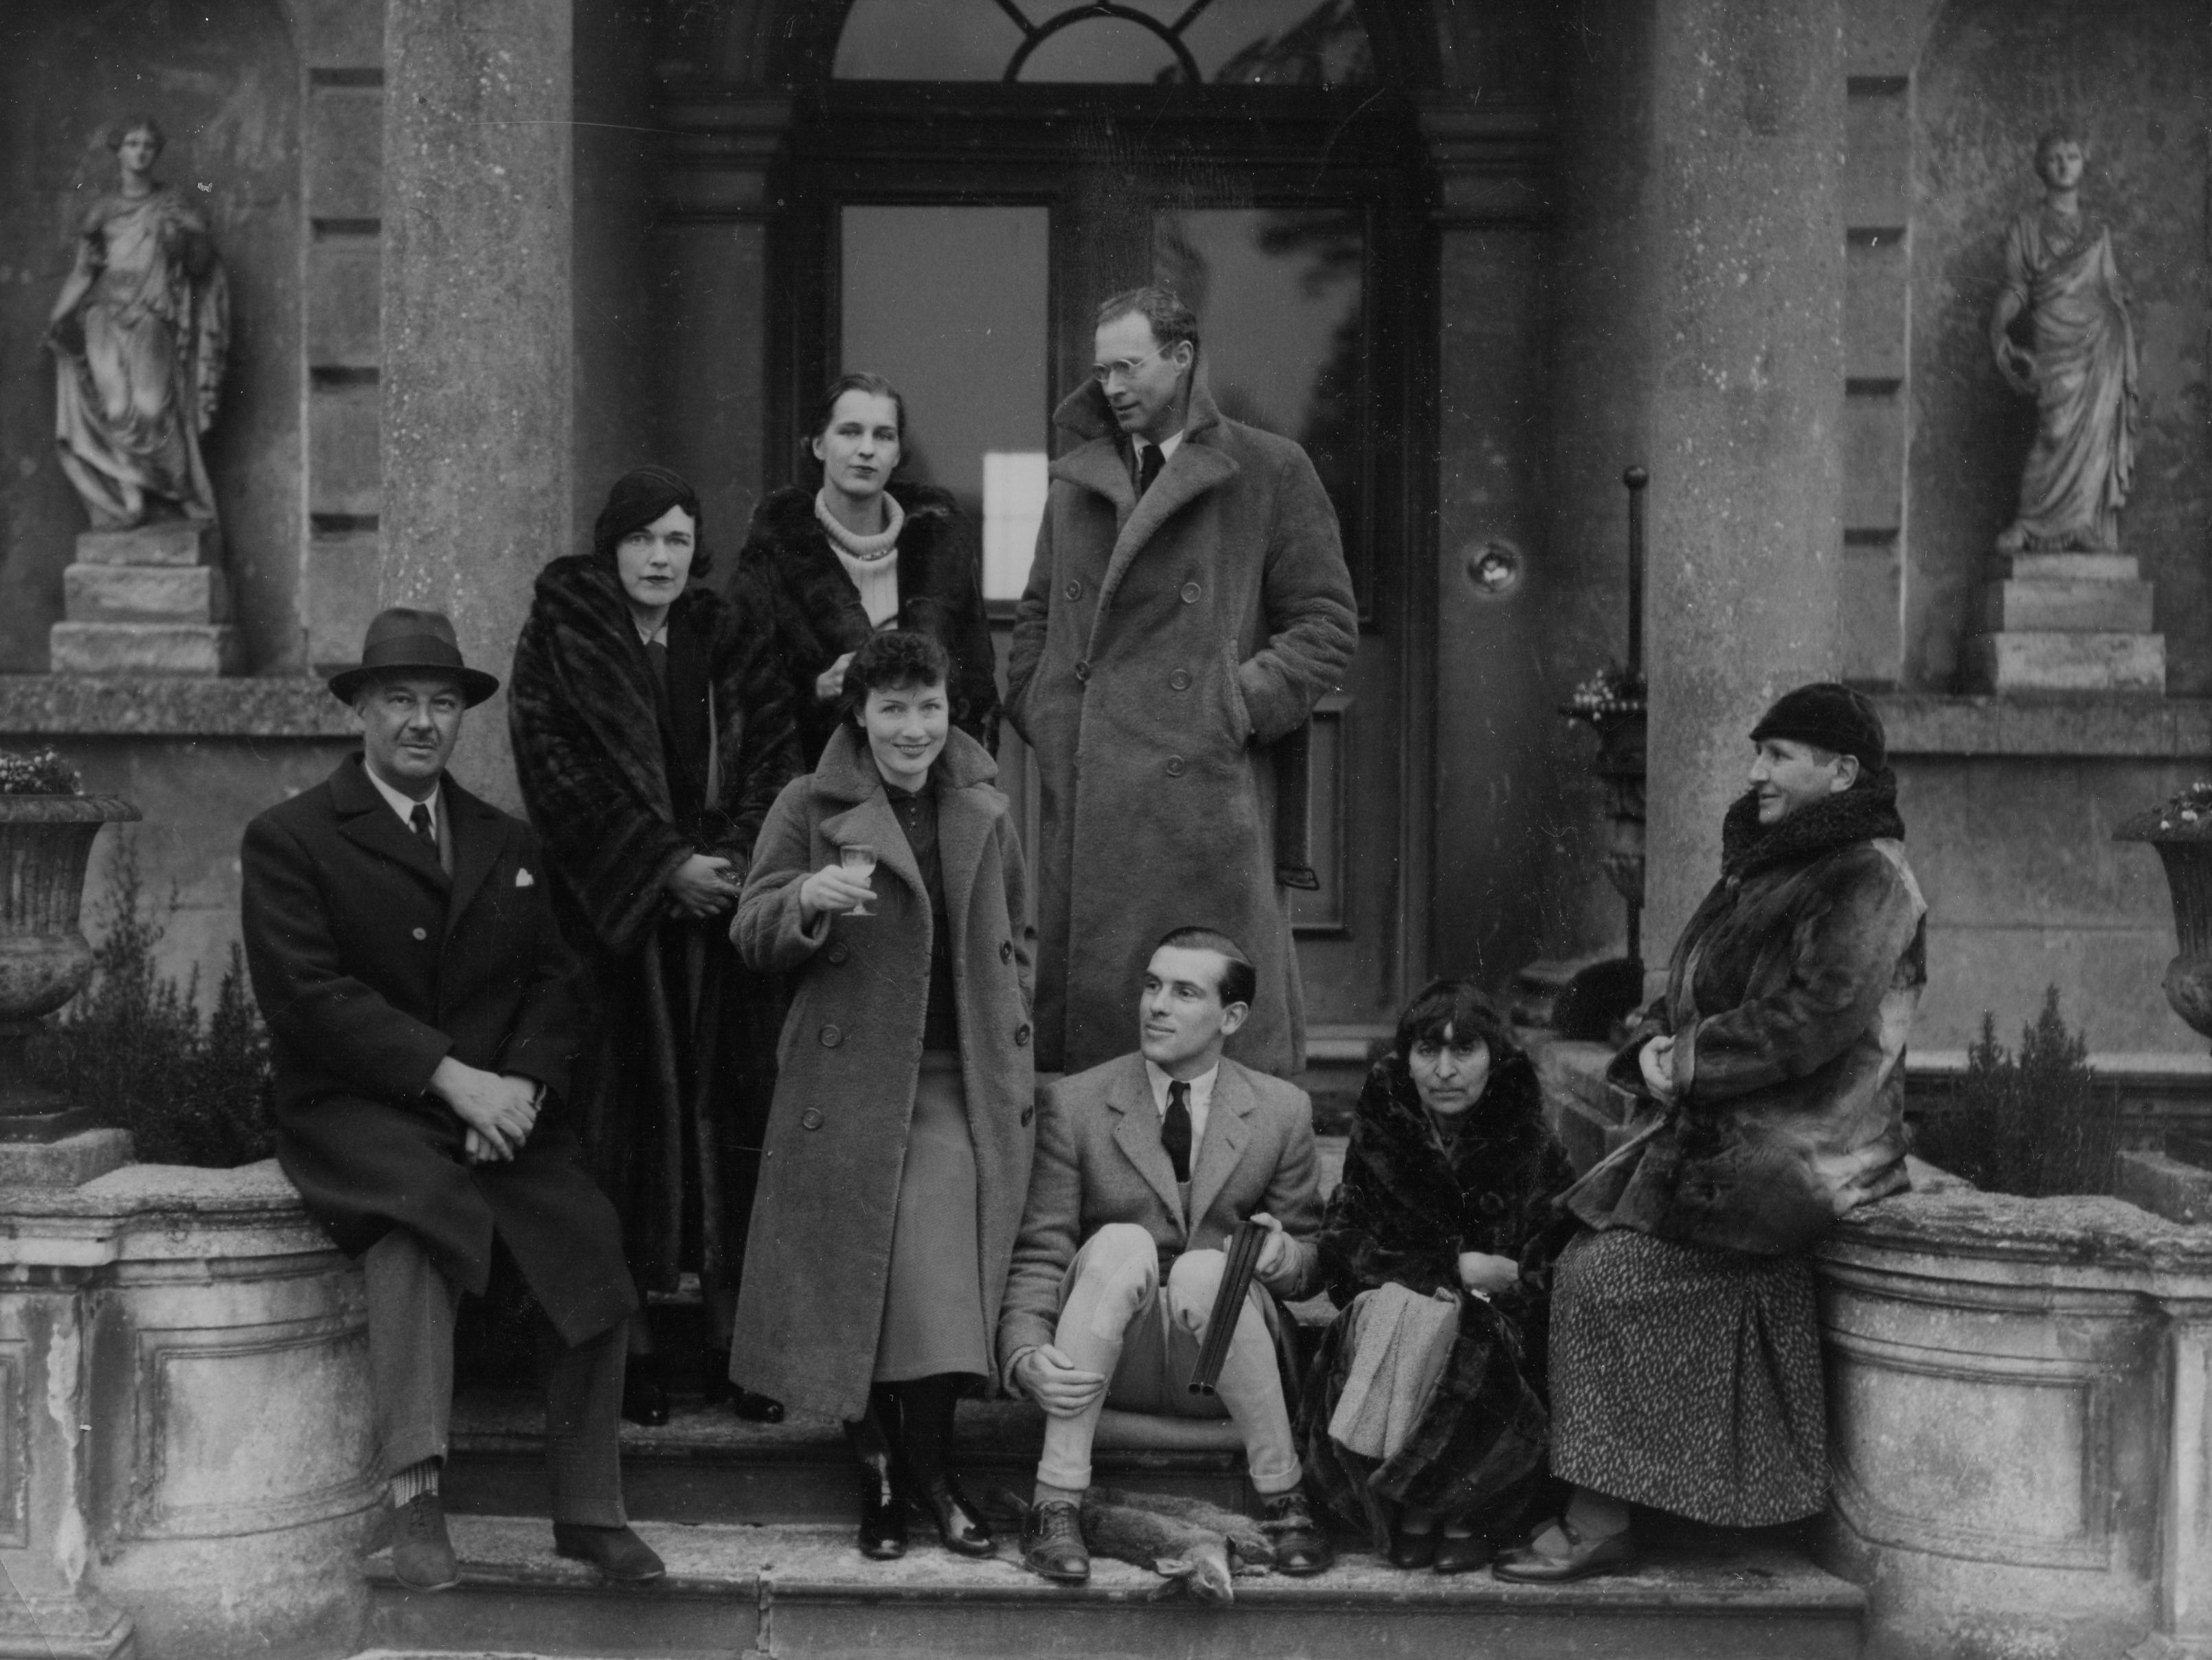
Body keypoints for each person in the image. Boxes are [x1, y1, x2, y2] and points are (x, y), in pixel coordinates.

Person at [240, 607, 661, 1591]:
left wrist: (517, 1086)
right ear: (360, 711)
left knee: (583, 1231)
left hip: (492, 1111)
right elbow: (308, 996)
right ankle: (415, 1503)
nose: (422, 723)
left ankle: (590, 1509)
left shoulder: (502, 836)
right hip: (361, 1110)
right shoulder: (294, 837)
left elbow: (557, 982)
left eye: (440, 704)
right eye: (399, 702)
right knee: (414, 1226)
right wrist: (451, 1079)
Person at [1496, 683, 1927, 1583]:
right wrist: (1652, 1036)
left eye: (1778, 755)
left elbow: (1816, 1017)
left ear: (1841, 771)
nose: (1756, 772)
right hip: (1739, 1137)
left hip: (1811, 1148)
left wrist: (1686, 1062)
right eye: (1757, 753)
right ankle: (1684, 1502)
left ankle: (1603, 1517)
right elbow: (1702, 979)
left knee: (1600, 1276)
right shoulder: (1775, 864)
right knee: (1569, 1251)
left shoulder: (1870, 878)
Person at [729, 629, 1035, 1560]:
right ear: (858, 714)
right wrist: (806, 901)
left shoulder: (985, 803)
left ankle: (932, 1473)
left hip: (957, 1081)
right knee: (860, 1277)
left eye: (929, 707)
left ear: (953, 709)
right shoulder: (808, 803)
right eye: (893, 709)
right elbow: (750, 928)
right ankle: (881, 1478)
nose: (914, 728)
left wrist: (1014, 1034)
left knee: (937, 1285)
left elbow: (1020, 936)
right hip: (851, 1080)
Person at [508, 467, 801, 1427]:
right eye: (643, 539)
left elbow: (775, 760)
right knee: (615, 1137)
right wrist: (657, 867)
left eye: (677, 540)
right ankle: (627, 1354)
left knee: (732, 1129)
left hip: (719, 930)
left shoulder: (727, 635)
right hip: (610, 929)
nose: (660, 558)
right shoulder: (565, 635)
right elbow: (553, 769)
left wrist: (730, 867)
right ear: (613, 545)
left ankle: (734, 1346)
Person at [1006, 286, 1357, 1080]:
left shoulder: (1267, 470)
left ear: (1182, 358)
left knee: (1213, 1055)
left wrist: (1229, 707)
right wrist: (1047, 710)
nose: (1112, 387)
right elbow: (1035, 618)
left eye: (1129, 367)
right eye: (1102, 372)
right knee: (1093, 1074)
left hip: (1204, 801)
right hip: (1090, 792)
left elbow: (1326, 625)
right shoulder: (1075, 485)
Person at [997, 927, 1336, 1586]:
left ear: (1231, 1017)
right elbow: (1044, 1249)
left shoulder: (1281, 1111)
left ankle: (1285, 1496)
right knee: (1120, 1242)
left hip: (1223, 1365)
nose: (1157, 1005)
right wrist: (1023, 1350)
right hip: (1109, 1360)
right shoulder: (1075, 1104)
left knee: (1211, 1265)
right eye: (1152, 986)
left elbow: (1313, 1262)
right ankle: (1056, 1502)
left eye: (1184, 992)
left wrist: (1281, 1256)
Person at [1298, 978, 1575, 1573]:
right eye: (1429, 1051)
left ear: (1493, 1059)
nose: (1445, 1070)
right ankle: (1441, 1508)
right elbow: (1344, 1249)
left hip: (1496, 1337)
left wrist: (1474, 1295)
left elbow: (1550, 1262)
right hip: (1386, 1324)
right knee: (1415, 1311)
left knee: (1453, 1323)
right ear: (1407, 1059)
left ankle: (1434, 1509)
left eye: (1464, 1051)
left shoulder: (1526, 1136)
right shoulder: (1383, 1128)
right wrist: (1451, 1269)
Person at [741, 372, 1000, 766]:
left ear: (897, 454)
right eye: (849, 432)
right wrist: (817, 689)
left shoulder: (939, 545)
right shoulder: (775, 549)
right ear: (818, 445)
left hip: (924, 782)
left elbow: (976, 688)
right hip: (817, 781)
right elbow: (746, 692)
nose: (867, 449)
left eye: (883, 436)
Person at [47, 115, 229, 529]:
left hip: (152, 314)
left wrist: (196, 235)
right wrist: (57, 318)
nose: (140, 152)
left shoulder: (174, 203)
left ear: (157, 152)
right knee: (114, 409)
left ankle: (180, 491)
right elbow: (82, 274)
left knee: (149, 409)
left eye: (148, 145)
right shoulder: (102, 211)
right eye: (132, 143)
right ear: (118, 150)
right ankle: (131, 499)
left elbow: (199, 268)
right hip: (104, 314)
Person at [1990, 128, 2137, 554]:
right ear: (2040, 167)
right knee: (2054, 429)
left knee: (2094, 432)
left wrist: (2119, 302)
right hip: (2055, 337)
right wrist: (1998, 329)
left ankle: (2081, 522)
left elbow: (2110, 284)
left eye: (2072, 155)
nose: (2063, 163)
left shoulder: (2098, 230)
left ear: (2083, 163)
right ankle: (2031, 523)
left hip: (2100, 342)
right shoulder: (2026, 226)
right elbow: (2015, 288)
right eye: (2054, 156)